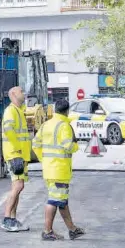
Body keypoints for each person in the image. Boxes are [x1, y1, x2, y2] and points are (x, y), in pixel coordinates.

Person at [32, 99, 85, 240]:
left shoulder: (46, 124)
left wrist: (44, 159)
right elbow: (68, 145)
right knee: (54, 201)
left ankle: (72, 229)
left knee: (61, 200)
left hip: (49, 169)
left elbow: (35, 143)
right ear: (67, 111)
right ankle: (47, 231)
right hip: (59, 170)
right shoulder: (64, 126)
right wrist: (76, 146)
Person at [1, 86, 31, 232]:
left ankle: (12, 219)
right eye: (21, 91)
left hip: (20, 154)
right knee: (18, 186)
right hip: (15, 154)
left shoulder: (18, 110)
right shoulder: (10, 111)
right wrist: (18, 149)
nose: (23, 93)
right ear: (13, 94)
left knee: (18, 187)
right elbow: (8, 130)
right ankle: (7, 219)